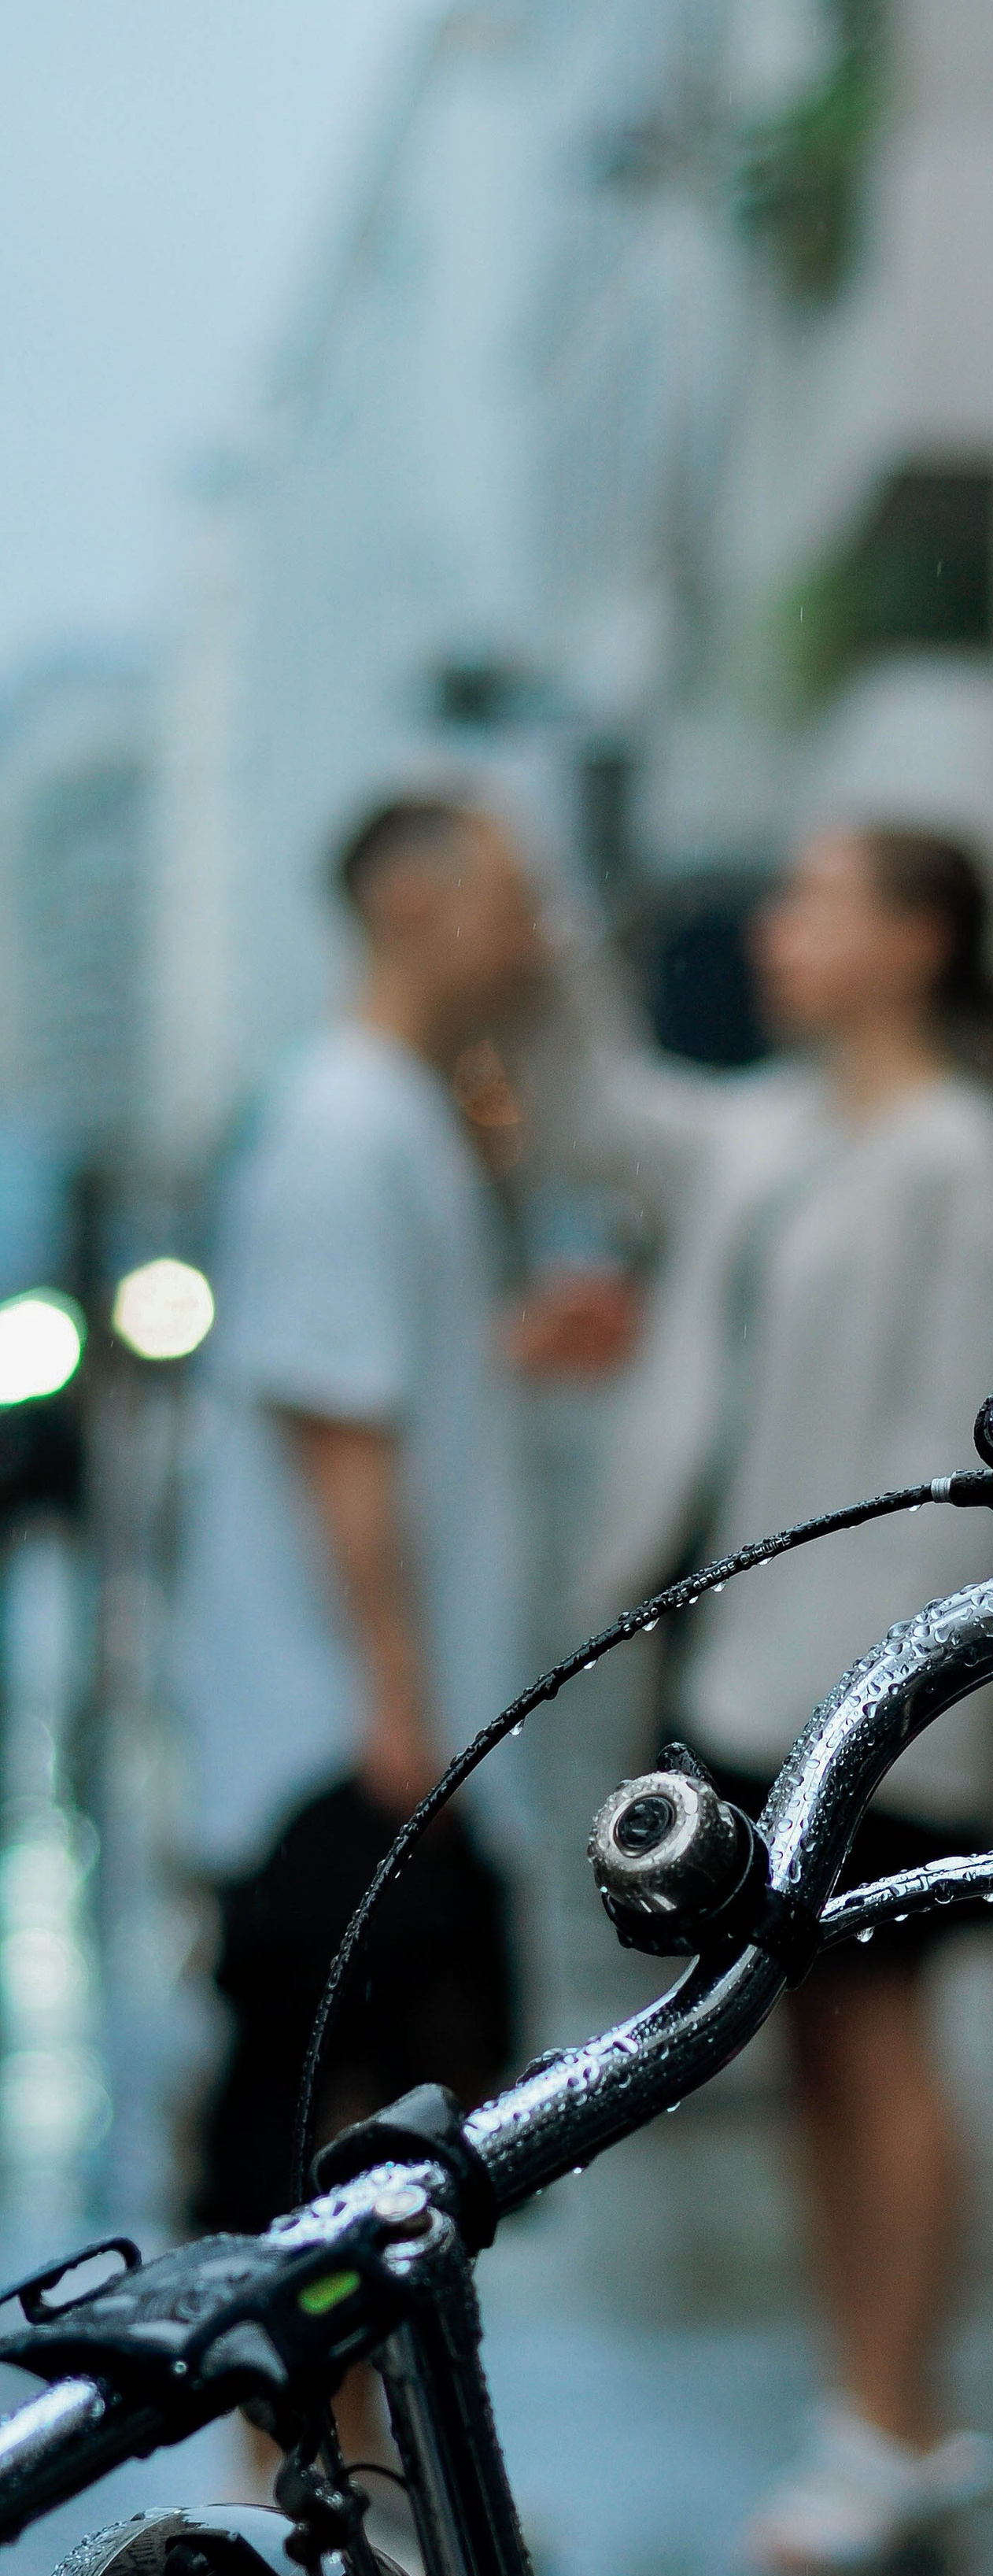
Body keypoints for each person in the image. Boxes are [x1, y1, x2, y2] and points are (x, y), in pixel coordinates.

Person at [581, 826, 993, 2576]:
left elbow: (968, 1465)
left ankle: (891, 2415)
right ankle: (867, 2406)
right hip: (740, 1666)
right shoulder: (767, 1130)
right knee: (795, 2049)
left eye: (819, 902)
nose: (779, 930)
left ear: (916, 939)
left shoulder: (960, 1159)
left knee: (882, 2036)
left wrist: (903, 1700)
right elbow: (599, 1112)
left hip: (876, 1678)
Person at [177, 796, 625, 2463]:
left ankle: (345, 2486)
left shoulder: (398, 1121)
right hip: (343, 1751)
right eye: (513, 899)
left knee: (370, 2147)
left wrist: (502, 1347)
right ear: (419, 906)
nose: (535, 936)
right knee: (334, 2149)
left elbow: (381, 1396)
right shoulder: (346, 1129)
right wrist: (394, 1704)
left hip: (370, 1735)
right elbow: (333, 1432)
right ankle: (311, 2507)